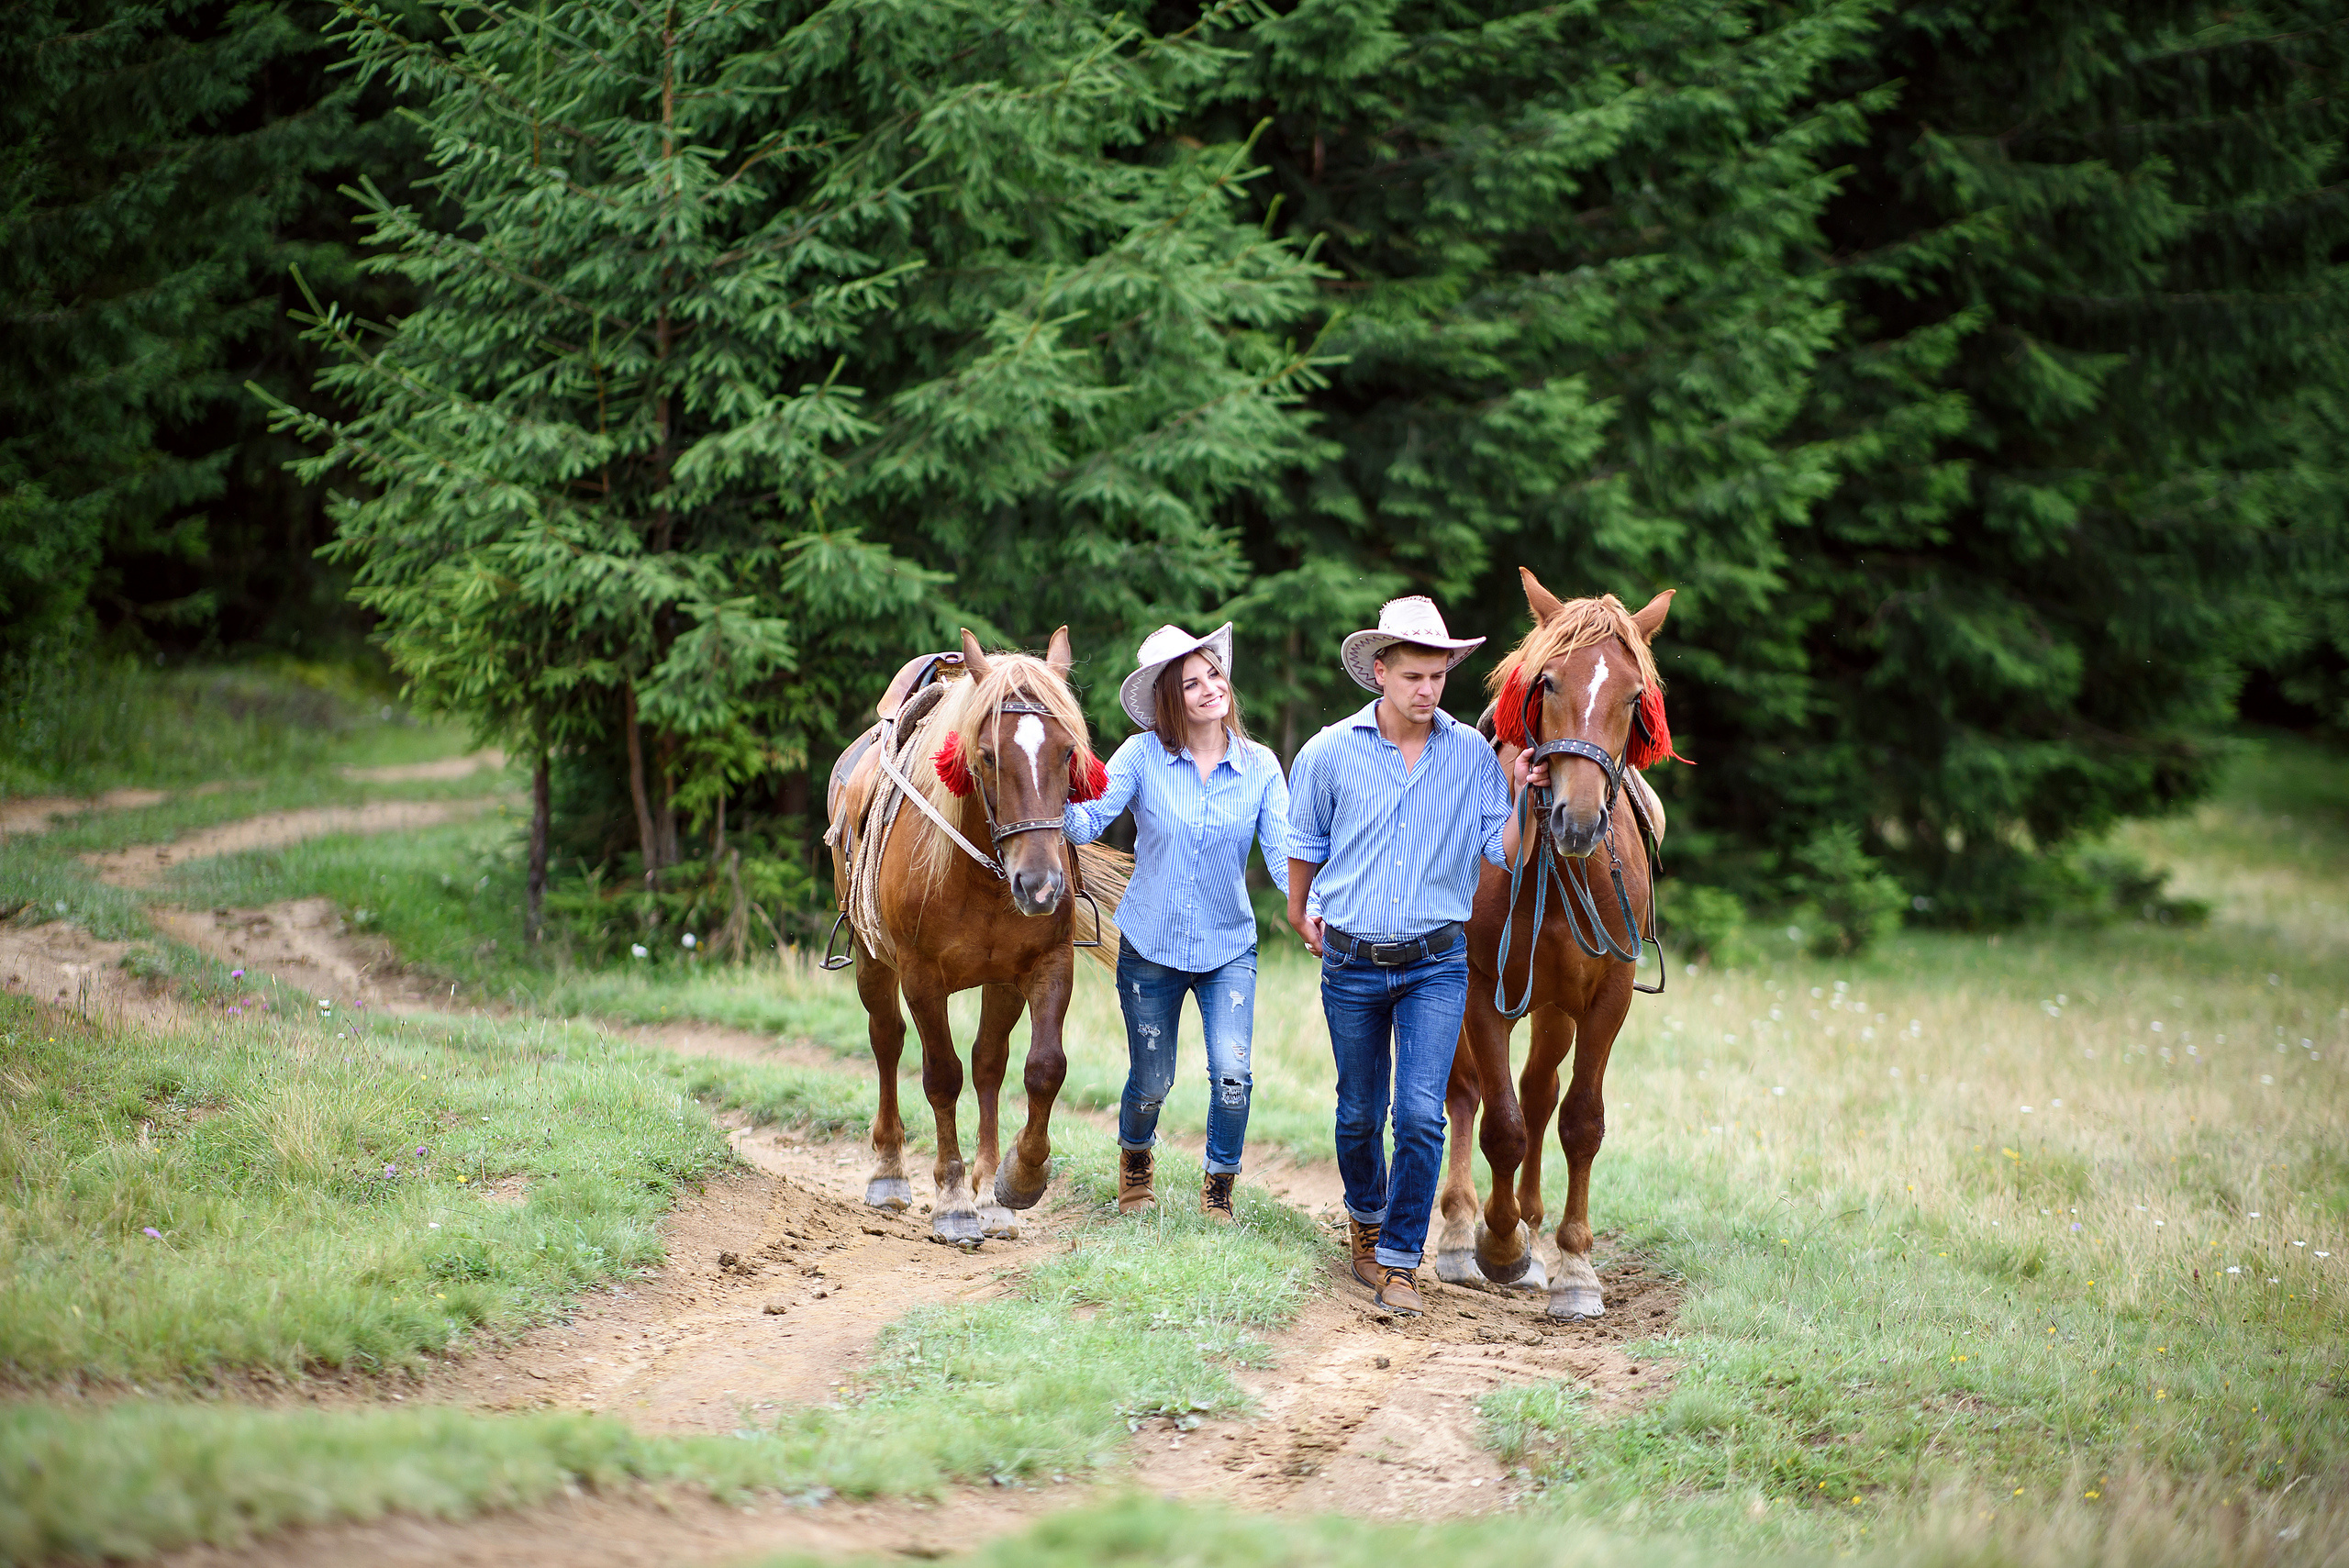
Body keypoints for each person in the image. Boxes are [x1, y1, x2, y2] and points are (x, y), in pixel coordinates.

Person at [1286, 595, 1538, 1317]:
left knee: (1422, 1114)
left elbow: (1503, 852)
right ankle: (1365, 1223)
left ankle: (1400, 1258)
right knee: (1359, 1111)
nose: (1427, 691)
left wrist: (1523, 795)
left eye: (1438, 676)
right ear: (1380, 670)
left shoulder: (1471, 756)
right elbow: (1306, 840)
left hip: (1435, 961)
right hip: (1353, 961)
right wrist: (1301, 909)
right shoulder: (1329, 751)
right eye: (1414, 677)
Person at [1064, 622, 1291, 1223]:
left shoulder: (1261, 766)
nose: (1210, 687)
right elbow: (1089, 824)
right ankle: (1135, 1168)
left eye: (1213, 673)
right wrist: (1042, 791)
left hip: (1228, 949)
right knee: (1152, 1079)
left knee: (1234, 1075)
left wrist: (1316, 909)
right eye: (1191, 683)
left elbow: (1282, 858)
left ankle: (1219, 1190)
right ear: (1170, 697)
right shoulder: (1141, 756)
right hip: (1151, 947)